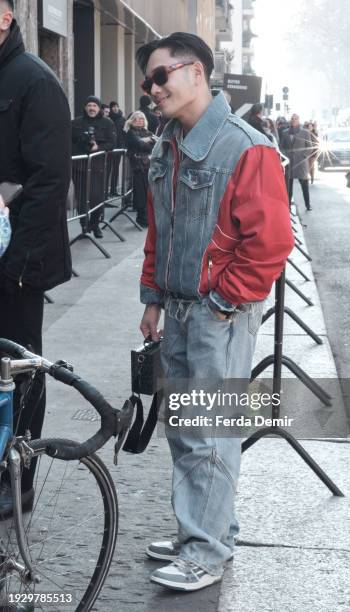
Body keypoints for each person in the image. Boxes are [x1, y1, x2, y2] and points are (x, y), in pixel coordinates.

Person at [136, 31, 294, 592]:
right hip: (180, 308)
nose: (152, 89)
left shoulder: (245, 145)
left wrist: (223, 302)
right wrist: (153, 298)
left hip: (217, 314)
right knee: (187, 428)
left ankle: (206, 549)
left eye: (161, 76)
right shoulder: (169, 142)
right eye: (148, 80)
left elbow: (272, 242)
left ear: (196, 71)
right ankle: (202, 529)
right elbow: (160, 228)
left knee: (209, 430)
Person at [0, 0, 72, 517]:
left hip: (16, 262)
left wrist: (20, 265)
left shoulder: (33, 79)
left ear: (4, 18)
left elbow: (49, 182)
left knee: (18, 366)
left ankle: (17, 478)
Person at [71, 96, 117, 238]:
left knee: (97, 197)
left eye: (94, 106)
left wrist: (98, 148)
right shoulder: (75, 123)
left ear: (99, 108)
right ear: (85, 107)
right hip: (79, 166)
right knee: (81, 197)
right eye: (89, 105)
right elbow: (68, 142)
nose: (91, 108)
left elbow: (112, 143)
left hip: (98, 166)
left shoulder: (107, 123)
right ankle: (84, 226)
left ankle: (95, 225)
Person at [124, 111, 155, 227]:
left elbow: (154, 144)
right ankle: (141, 217)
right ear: (131, 120)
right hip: (137, 166)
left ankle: (147, 216)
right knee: (140, 192)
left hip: (148, 165)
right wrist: (146, 141)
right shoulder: (130, 132)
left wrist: (146, 141)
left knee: (148, 191)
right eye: (136, 119)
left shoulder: (147, 132)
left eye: (141, 119)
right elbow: (139, 144)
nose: (138, 121)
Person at [280, 113, 313, 210]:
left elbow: (310, 147)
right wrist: (284, 156)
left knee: (304, 186)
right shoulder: (285, 132)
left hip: (301, 163)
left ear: (299, 120)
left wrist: (304, 155)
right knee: (288, 186)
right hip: (289, 163)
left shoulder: (305, 132)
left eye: (296, 119)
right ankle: (288, 205)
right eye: (292, 119)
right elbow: (281, 146)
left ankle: (308, 205)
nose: (294, 120)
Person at [109, 101, 126, 197]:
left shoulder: (122, 119)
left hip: (118, 148)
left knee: (115, 170)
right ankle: (106, 192)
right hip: (109, 149)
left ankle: (113, 189)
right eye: (113, 107)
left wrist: (123, 146)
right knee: (107, 171)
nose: (115, 108)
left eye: (116, 106)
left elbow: (124, 134)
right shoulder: (108, 118)